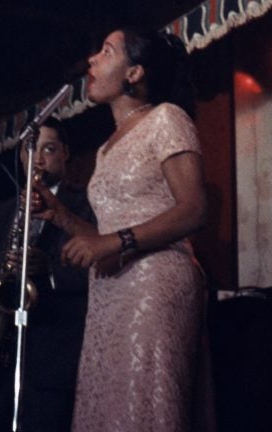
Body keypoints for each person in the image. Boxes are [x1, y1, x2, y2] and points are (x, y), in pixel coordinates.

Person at [33, 27, 209, 431]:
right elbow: (106, 234)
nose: (92, 60)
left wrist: (119, 241)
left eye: (107, 52)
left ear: (134, 73)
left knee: (144, 406)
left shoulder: (166, 118)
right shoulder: (107, 146)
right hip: (111, 289)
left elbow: (195, 209)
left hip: (154, 282)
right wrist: (59, 213)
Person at [0, 117, 94, 432]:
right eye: (29, 150)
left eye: (48, 148)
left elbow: (98, 276)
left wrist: (48, 271)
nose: (37, 158)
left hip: (52, 360)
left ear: (65, 153)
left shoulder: (87, 206)